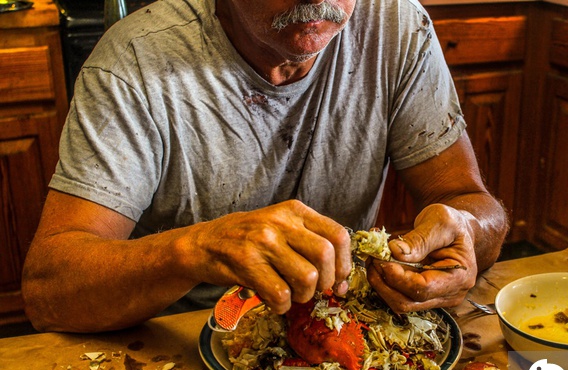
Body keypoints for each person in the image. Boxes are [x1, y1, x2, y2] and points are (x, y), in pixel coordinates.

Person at [22, 0, 508, 333]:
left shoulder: (398, 27)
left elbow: (471, 203)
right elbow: (50, 289)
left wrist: (467, 230)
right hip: (179, 345)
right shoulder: (135, 60)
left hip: (345, 330)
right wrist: (194, 249)